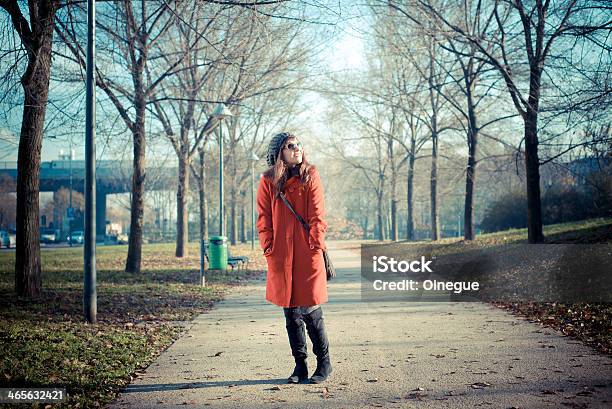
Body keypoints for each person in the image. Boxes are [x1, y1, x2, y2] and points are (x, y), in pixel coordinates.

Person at [256, 132, 332, 384]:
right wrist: (268, 247)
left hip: (307, 253)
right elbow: (264, 218)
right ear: (280, 152)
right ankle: (300, 366)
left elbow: (318, 215)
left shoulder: (310, 174)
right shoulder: (268, 181)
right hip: (281, 255)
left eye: (299, 144)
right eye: (291, 146)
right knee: (291, 313)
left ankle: (324, 363)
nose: (297, 148)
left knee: (310, 309)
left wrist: (315, 245)